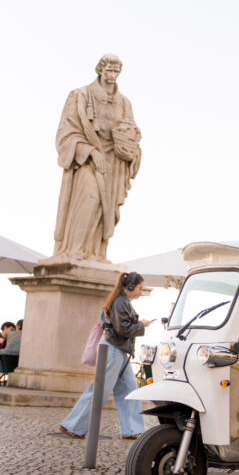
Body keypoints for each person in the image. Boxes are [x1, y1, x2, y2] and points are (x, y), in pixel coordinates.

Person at [52, 54, 141, 262]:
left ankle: (96, 254)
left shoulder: (124, 103)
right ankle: (74, 249)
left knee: (105, 208)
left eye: (116, 71)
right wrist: (90, 151)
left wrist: (131, 145)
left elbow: (132, 133)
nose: (112, 75)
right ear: (100, 70)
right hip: (87, 159)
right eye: (109, 70)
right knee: (90, 197)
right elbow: (65, 134)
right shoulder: (80, 95)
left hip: (115, 162)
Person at [59, 272, 153, 439]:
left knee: (130, 390)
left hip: (119, 350)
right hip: (114, 350)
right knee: (100, 389)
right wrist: (141, 325)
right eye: (139, 288)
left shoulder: (122, 301)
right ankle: (72, 426)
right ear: (130, 286)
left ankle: (133, 430)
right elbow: (123, 330)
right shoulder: (120, 302)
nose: (141, 291)